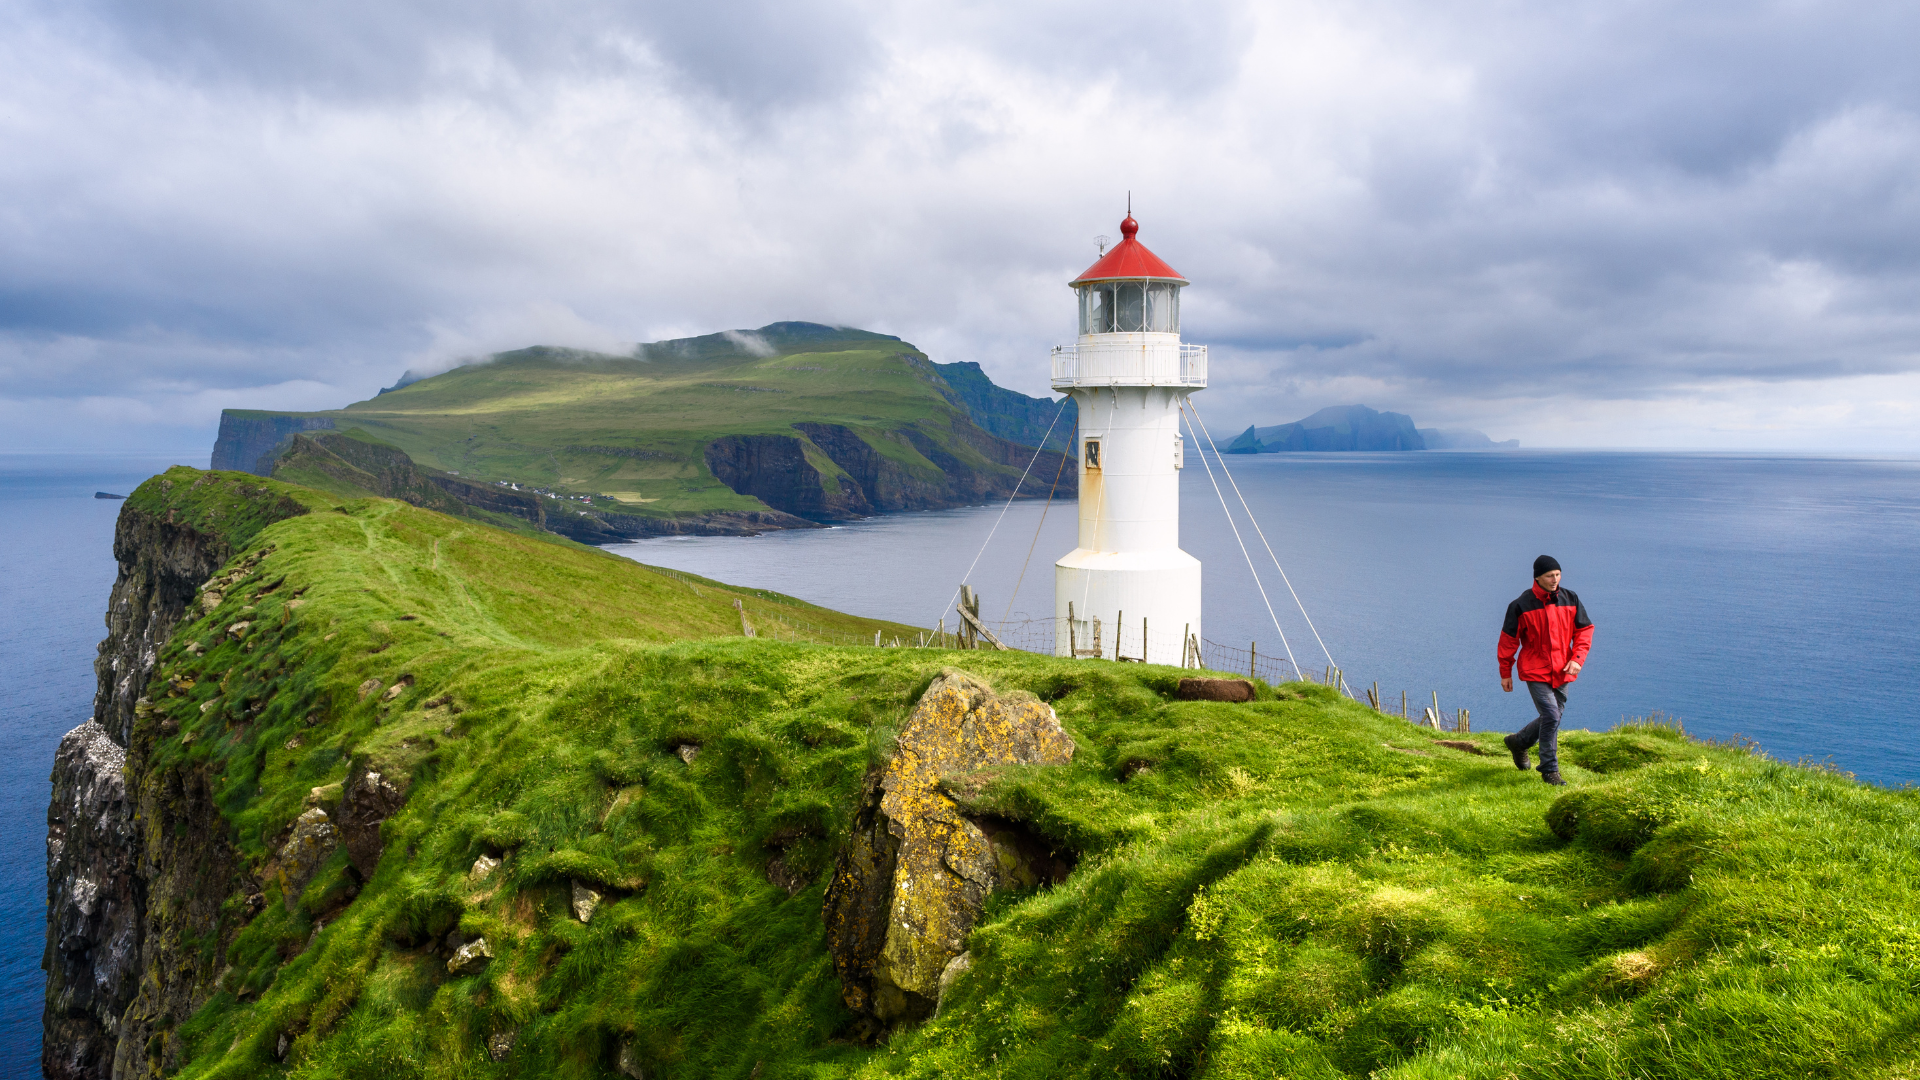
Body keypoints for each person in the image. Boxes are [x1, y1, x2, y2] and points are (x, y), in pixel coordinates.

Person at [1497, 555, 1593, 786]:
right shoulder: (1520, 605)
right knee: (1551, 715)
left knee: (1553, 716)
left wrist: (1578, 659)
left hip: (1563, 669)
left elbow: (1585, 630)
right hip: (1535, 669)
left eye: (1558, 574)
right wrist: (1505, 673)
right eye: (1550, 575)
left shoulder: (1571, 598)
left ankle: (1519, 743)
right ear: (1537, 577)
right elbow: (1508, 642)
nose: (1555, 579)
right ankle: (1549, 770)